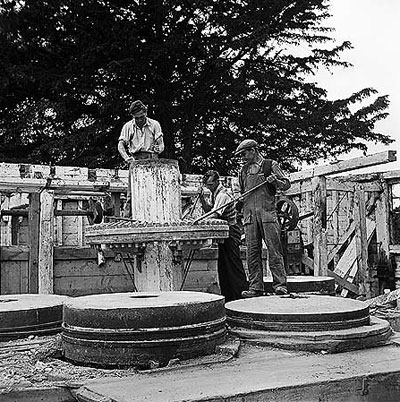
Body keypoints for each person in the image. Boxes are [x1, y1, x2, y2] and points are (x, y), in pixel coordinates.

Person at [234, 139, 291, 298]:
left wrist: (276, 181)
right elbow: (242, 192)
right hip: (250, 217)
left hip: (267, 214)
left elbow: (286, 184)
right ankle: (255, 287)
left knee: (274, 250)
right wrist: (239, 201)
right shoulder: (243, 171)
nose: (243, 158)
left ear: (253, 150)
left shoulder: (270, 165)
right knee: (252, 253)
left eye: (244, 154)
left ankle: (280, 285)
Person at [199, 170, 248, 302]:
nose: (209, 187)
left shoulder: (223, 195)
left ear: (217, 181)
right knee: (223, 266)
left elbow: (215, 214)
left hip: (231, 231)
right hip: (224, 233)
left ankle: (241, 293)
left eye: (210, 184)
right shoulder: (214, 194)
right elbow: (210, 209)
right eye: (207, 185)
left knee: (233, 264)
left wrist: (200, 221)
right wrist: (202, 199)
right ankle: (228, 296)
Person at [118, 100, 165, 216]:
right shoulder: (128, 126)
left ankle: (154, 219)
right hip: (136, 160)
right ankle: (128, 220)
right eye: (136, 118)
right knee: (132, 194)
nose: (139, 120)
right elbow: (120, 146)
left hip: (153, 160)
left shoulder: (154, 124)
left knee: (154, 192)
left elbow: (162, 144)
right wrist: (127, 158)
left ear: (146, 113)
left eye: (141, 117)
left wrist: (159, 149)